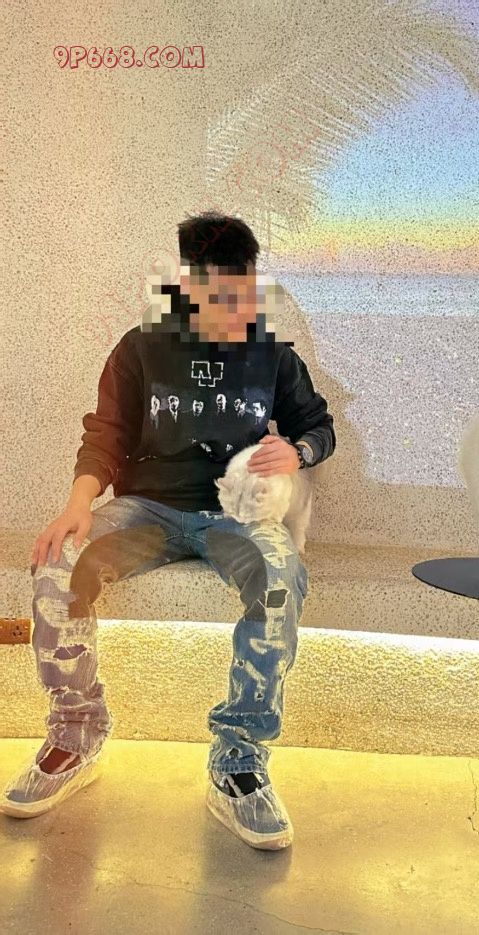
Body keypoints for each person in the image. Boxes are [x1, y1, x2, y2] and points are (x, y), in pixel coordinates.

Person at [0, 213, 336, 850]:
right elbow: (106, 434)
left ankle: (238, 759)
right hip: (146, 512)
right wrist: (77, 504)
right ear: (188, 285)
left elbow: (319, 428)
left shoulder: (273, 355)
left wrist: (296, 452)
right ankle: (76, 732)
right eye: (217, 296)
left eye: (242, 293)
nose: (232, 309)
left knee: (279, 577)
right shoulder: (140, 347)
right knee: (59, 563)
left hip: (236, 517)